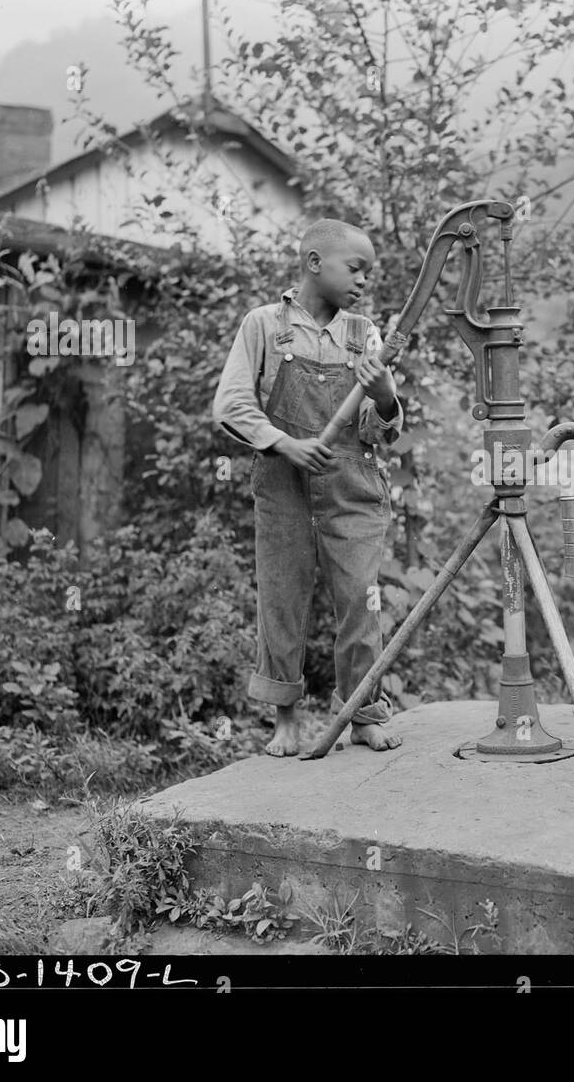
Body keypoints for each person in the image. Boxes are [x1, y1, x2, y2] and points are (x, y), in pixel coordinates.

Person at [213, 219, 404, 755]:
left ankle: (362, 711)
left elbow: (375, 427)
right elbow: (230, 403)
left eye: (369, 271)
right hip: (285, 485)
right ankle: (286, 719)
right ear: (315, 263)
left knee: (361, 602)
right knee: (282, 598)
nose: (364, 280)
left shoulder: (363, 333)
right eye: (355, 267)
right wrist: (283, 443)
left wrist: (386, 396)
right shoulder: (264, 325)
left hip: (352, 487)